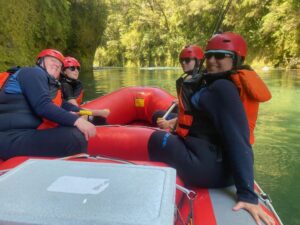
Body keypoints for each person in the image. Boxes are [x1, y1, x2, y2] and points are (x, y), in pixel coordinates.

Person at [148, 32, 274, 225]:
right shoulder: (221, 82)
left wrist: (248, 195)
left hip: (207, 169)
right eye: (209, 55)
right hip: (219, 164)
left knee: (156, 139)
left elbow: (239, 140)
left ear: (237, 59)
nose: (212, 61)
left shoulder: (222, 88)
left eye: (221, 56)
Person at [0, 49, 96, 160]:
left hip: (23, 134)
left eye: (60, 65)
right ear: (40, 62)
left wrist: (88, 114)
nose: (57, 65)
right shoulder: (32, 73)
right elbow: (42, 106)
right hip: (9, 137)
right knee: (75, 137)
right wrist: (77, 121)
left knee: (77, 127)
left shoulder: (50, 88)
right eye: (52, 60)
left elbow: (64, 106)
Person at [153, 45, 204, 130]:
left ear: (198, 61)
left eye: (187, 60)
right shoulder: (193, 78)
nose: (183, 63)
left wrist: (169, 123)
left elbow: (196, 116)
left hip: (194, 123)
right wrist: (180, 101)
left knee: (156, 115)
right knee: (173, 107)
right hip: (190, 117)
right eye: (181, 60)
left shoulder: (201, 82)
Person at [61, 56, 110, 124]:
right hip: (69, 115)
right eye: (72, 68)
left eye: (78, 68)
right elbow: (75, 108)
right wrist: (100, 112)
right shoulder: (65, 86)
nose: (76, 71)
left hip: (74, 111)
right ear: (64, 71)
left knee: (93, 116)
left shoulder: (74, 83)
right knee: (99, 118)